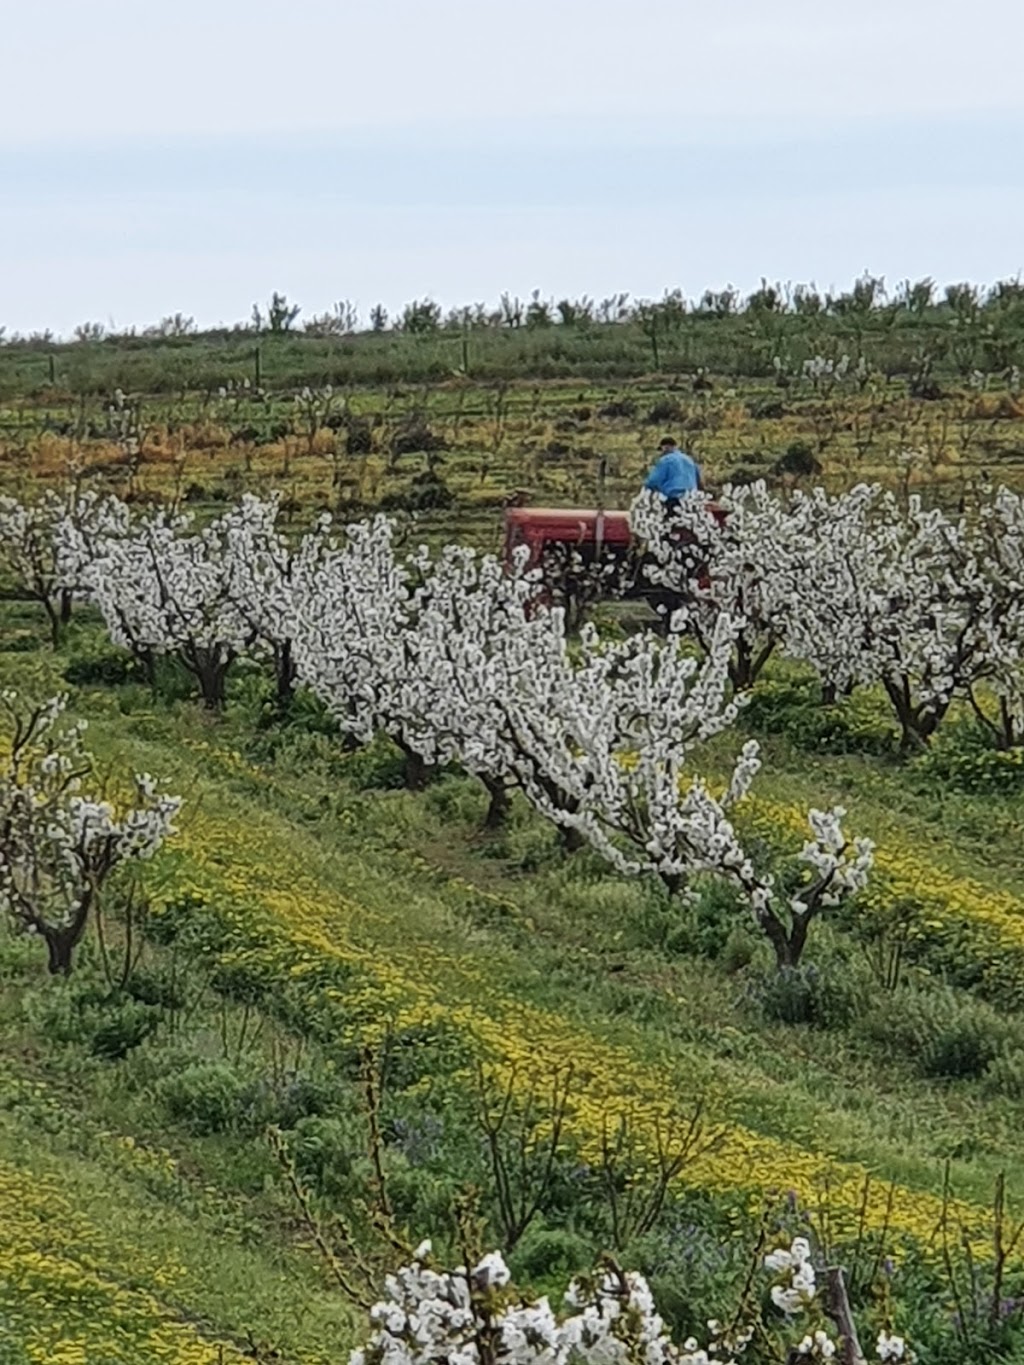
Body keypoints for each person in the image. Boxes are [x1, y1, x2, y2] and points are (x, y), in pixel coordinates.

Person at [644, 437, 702, 510]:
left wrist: (647, 487)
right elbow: (698, 479)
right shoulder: (689, 460)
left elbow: (653, 481)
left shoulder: (666, 460)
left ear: (665, 448)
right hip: (693, 499)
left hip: (675, 499)